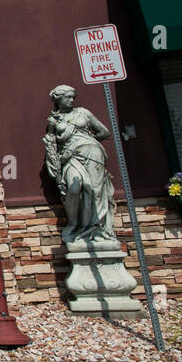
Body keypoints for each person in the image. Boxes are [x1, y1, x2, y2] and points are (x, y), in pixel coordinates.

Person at [43, 84, 117, 247]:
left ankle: (96, 229)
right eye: (67, 97)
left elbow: (104, 132)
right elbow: (51, 144)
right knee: (74, 189)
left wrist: (87, 141)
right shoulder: (53, 120)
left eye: (72, 97)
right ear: (58, 99)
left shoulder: (83, 113)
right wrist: (58, 160)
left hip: (93, 153)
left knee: (95, 191)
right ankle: (74, 224)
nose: (71, 100)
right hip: (71, 157)